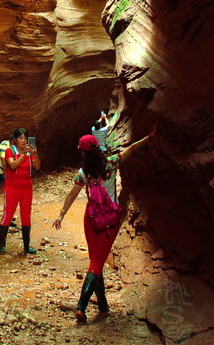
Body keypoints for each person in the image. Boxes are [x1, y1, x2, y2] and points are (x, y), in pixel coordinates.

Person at [52, 129, 153, 322]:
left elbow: (72, 194)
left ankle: (102, 305)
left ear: (84, 153)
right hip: (110, 221)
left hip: (91, 219)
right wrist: (149, 137)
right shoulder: (111, 163)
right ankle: (82, 306)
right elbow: (131, 149)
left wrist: (61, 215)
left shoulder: (84, 173)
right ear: (97, 149)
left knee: (95, 261)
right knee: (96, 262)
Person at [0, 128, 41, 256]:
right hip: (12, 187)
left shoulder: (30, 153)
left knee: (26, 215)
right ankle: (2, 246)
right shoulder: (9, 151)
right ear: (15, 140)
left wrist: (35, 155)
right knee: (8, 214)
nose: (23, 141)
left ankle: (27, 246)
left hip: (26, 187)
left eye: (25, 138)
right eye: (21, 138)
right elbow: (12, 165)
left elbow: (37, 166)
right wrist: (23, 155)